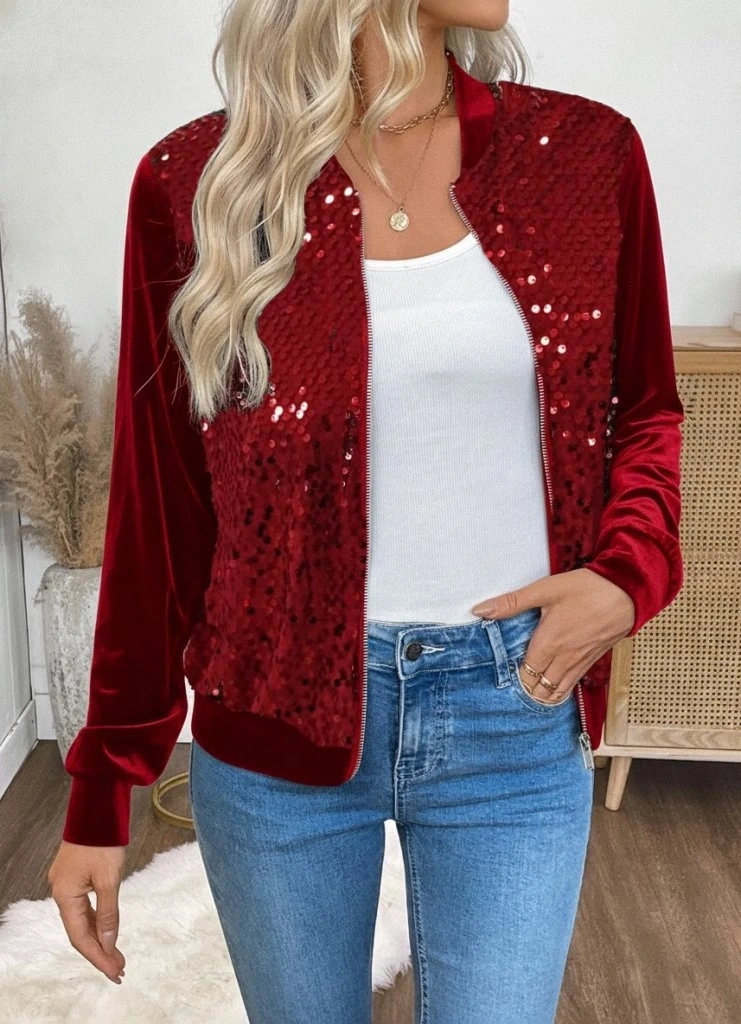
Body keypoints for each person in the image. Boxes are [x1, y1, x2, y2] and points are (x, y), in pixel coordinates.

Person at [47, 2, 684, 1021]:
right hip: (273, 724)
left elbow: (645, 409)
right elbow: (160, 511)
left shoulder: (587, 154)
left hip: (513, 709)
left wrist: (627, 573)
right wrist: (101, 785)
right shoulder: (197, 181)